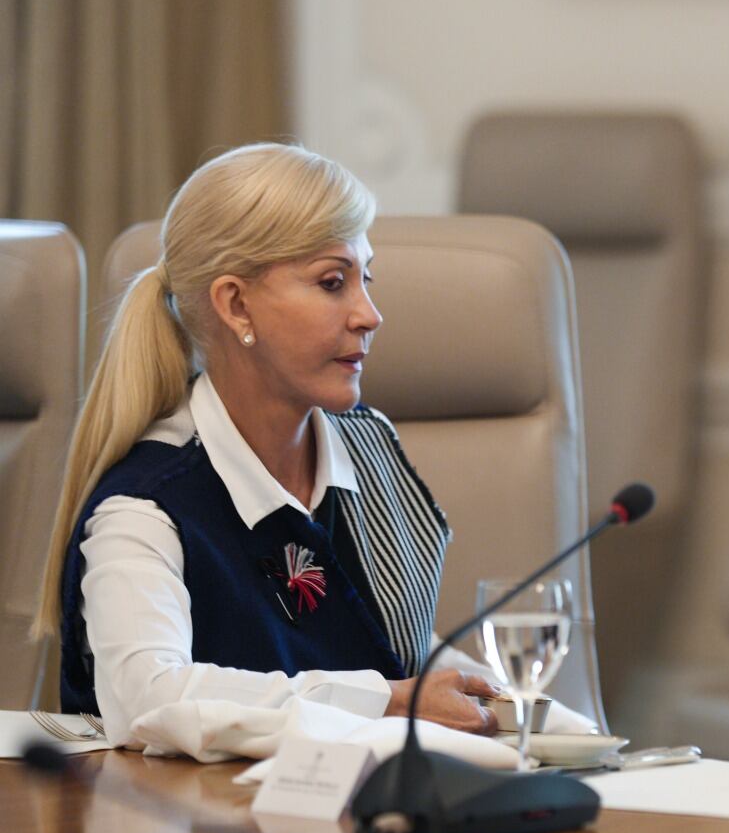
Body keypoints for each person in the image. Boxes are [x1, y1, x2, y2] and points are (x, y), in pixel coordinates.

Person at [33, 143, 518, 759]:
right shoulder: (147, 503)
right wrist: (390, 699)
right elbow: (150, 701)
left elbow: (400, 644)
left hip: (365, 826)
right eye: (332, 282)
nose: (369, 315)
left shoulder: (367, 447)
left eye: (365, 280)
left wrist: (511, 705)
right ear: (236, 304)